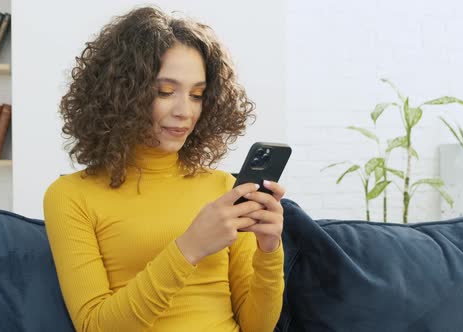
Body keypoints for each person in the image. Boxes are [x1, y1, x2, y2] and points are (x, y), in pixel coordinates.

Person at [43, 6, 286, 332]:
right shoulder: (71, 196)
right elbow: (95, 326)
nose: (185, 111)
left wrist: (269, 251)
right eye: (165, 92)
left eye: (197, 95)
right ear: (121, 93)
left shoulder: (223, 189)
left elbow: (257, 327)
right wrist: (190, 248)